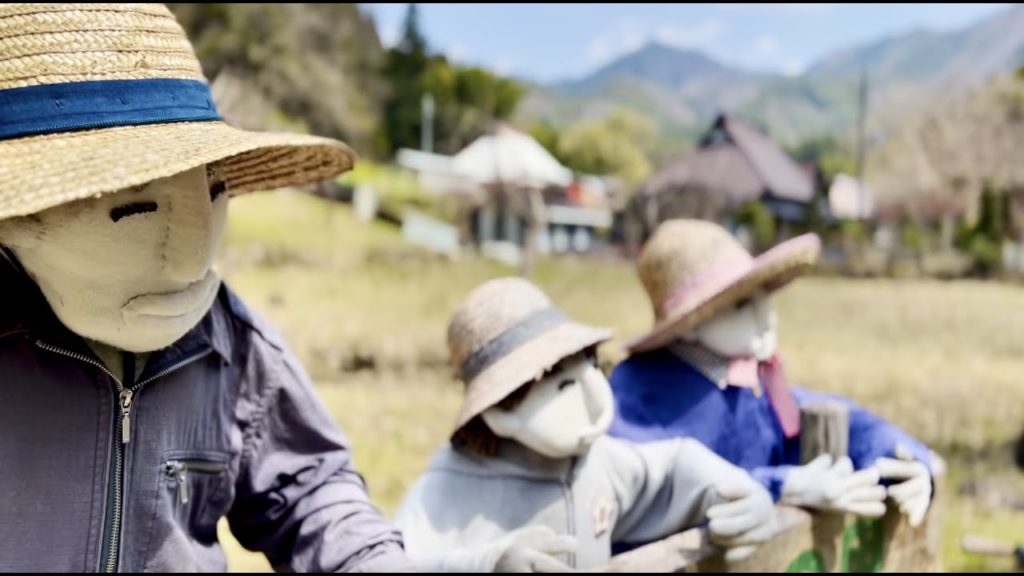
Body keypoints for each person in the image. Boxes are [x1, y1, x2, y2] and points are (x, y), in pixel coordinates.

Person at [0, 4, 408, 572]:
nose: (193, 258)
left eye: (215, 193)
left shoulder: (226, 340)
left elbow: (311, 489)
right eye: (134, 208)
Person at [394, 277, 778, 572]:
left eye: (589, 363)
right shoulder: (446, 491)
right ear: (499, 411)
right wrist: (485, 564)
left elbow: (670, 469)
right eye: (558, 380)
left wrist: (737, 491)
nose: (589, 392)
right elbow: (394, 565)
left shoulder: (596, 461)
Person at [609, 219, 941, 531]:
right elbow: (654, 485)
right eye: (740, 306)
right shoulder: (636, 398)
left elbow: (825, 413)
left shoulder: (747, 380)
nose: (767, 317)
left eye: (765, 297)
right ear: (691, 326)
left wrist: (902, 458)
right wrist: (782, 486)